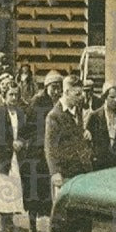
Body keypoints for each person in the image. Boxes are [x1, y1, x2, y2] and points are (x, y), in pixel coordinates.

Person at [19, 70, 59, 232]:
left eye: (59, 87)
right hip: (36, 154)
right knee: (33, 193)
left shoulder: (59, 103)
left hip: (51, 155)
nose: (56, 91)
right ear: (47, 86)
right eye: (53, 87)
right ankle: (32, 230)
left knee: (50, 196)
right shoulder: (37, 101)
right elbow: (26, 126)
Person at [46, 74, 93, 202]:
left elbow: (74, 131)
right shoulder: (54, 116)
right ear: (66, 92)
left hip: (80, 171)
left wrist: (84, 132)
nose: (81, 97)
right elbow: (50, 147)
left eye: (81, 93)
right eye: (77, 94)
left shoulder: (77, 110)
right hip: (64, 174)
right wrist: (55, 172)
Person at [0, 84, 26, 232]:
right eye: (11, 94)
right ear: (4, 95)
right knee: (3, 191)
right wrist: (10, 144)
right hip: (2, 158)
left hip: (16, 158)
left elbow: (25, 132)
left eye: (16, 94)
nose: (14, 98)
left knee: (14, 190)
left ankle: (9, 226)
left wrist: (21, 142)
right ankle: (3, 229)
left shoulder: (19, 112)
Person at [84, 82, 116, 170]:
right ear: (105, 97)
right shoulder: (95, 116)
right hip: (100, 164)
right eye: (112, 97)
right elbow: (87, 138)